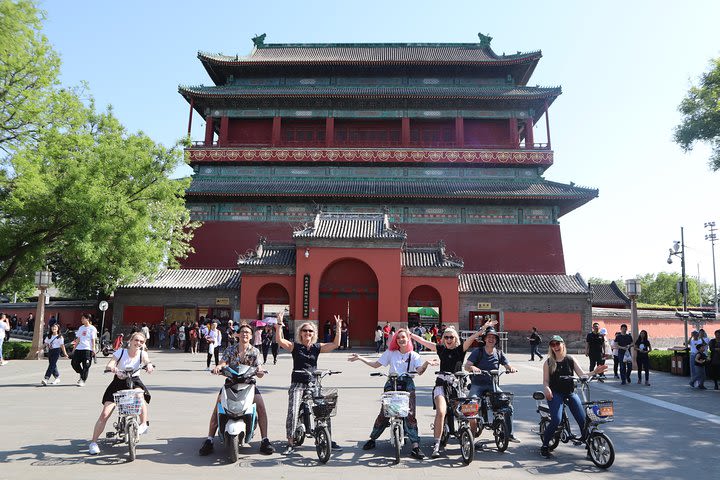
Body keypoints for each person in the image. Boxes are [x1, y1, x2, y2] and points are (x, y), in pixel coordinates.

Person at [349, 327, 438, 460]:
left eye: (404, 337)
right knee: (385, 413)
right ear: (396, 340)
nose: (401, 339)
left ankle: (415, 446)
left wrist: (426, 363)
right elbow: (375, 365)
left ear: (408, 339)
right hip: (392, 383)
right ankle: (373, 438)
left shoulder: (414, 355)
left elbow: (419, 371)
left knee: (410, 414)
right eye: (399, 337)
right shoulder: (391, 353)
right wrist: (360, 358)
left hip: (407, 383)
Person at [411, 324, 487, 458]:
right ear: (443, 339)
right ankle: (436, 445)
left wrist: (482, 330)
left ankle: (471, 440)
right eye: (446, 337)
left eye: (451, 337)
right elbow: (424, 342)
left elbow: (471, 338)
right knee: (441, 411)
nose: (448, 339)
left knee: (472, 415)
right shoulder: (441, 349)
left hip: (458, 386)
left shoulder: (460, 350)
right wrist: (410, 334)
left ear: (455, 338)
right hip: (441, 385)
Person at [198, 323, 275, 456]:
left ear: (251, 336)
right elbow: (222, 362)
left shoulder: (255, 351)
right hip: (230, 384)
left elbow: (259, 367)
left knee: (261, 408)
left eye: (248, 333)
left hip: (249, 384)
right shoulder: (230, 349)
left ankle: (265, 440)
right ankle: (209, 440)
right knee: (218, 408)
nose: (245, 334)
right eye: (243, 332)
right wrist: (218, 367)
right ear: (238, 334)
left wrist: (260, 371)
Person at [276, 311, 343, 455]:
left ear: (314, 334)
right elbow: (280, 341)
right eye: (305, 330)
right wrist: (279, 324)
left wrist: (338, 328)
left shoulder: (316, 347)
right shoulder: (295, 347)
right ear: (300, 333)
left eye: (310, 331)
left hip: (314, 383)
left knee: (324, 410)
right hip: (297, 383)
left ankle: (327, 438)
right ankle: (290, 441)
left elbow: (335, 344)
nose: (307, 333)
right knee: (293, 410)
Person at [540, 335, 607, 457]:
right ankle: (545, 445)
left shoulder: (570, 359)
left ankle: (589, 447)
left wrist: (594, 372)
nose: (555, 347)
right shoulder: (549, 362)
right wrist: (547, 389)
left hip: (570, 392)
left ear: (563, 344)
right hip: (555, 393)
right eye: (552, 345)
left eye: (557, 344)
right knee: (556, 420)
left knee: (584, 420)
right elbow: (545, 381)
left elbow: (582, 375)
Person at [88, 332, 154, 455]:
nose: (138, 343)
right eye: (136, 340)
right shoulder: (121, 352)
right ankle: (93, 443)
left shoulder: (142, 354)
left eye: (141, 341)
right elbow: (111, 363)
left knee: (140, 395)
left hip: (134, 381)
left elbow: (147, 361)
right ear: (130, 340)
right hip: (118, 382)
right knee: (105, 414)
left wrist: (149, 366)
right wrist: (113, 368)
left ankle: (144, 424)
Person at [464, 328, 519, 447]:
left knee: (507, 405)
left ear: (496, 340)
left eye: (493, 337)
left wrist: (511, 368)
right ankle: (469, 434)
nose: (491, 339)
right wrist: (472, 368)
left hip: (492, 385)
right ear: (484, 339)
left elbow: (507, 365)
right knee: (470, 404)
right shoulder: (477, 352)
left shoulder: (499, 353)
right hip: (477, 385)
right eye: (489, 337)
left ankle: (509, 434)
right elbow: (466, 366)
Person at [71, 314, 98, 386]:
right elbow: (78, 339)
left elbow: (93, 340)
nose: (81, 320)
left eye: (83, 318)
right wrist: (74, 348)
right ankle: (81, 373)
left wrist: (93, 349)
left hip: (87, 349)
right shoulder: (81, 328)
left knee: (86, 365)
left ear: (87, 319)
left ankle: (83, 380)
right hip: (79, 348)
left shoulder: (92, 328)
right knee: (74, 363)